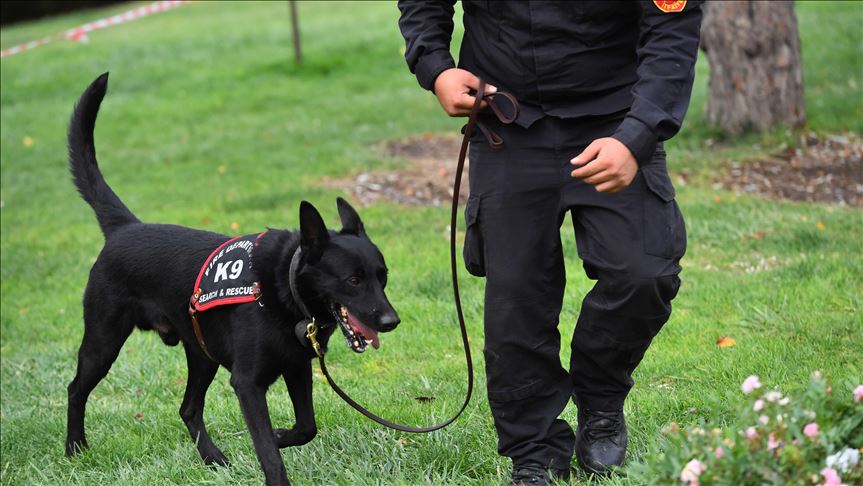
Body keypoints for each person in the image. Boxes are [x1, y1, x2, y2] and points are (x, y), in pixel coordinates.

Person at [398, 1, 703, 484]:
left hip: (614, 120)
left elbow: (672, 31)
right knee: (516, 298)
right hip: (508, 120)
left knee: (644, 273)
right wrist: (436, 67)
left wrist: (638, 135)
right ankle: (534, 452)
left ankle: (600, 398)